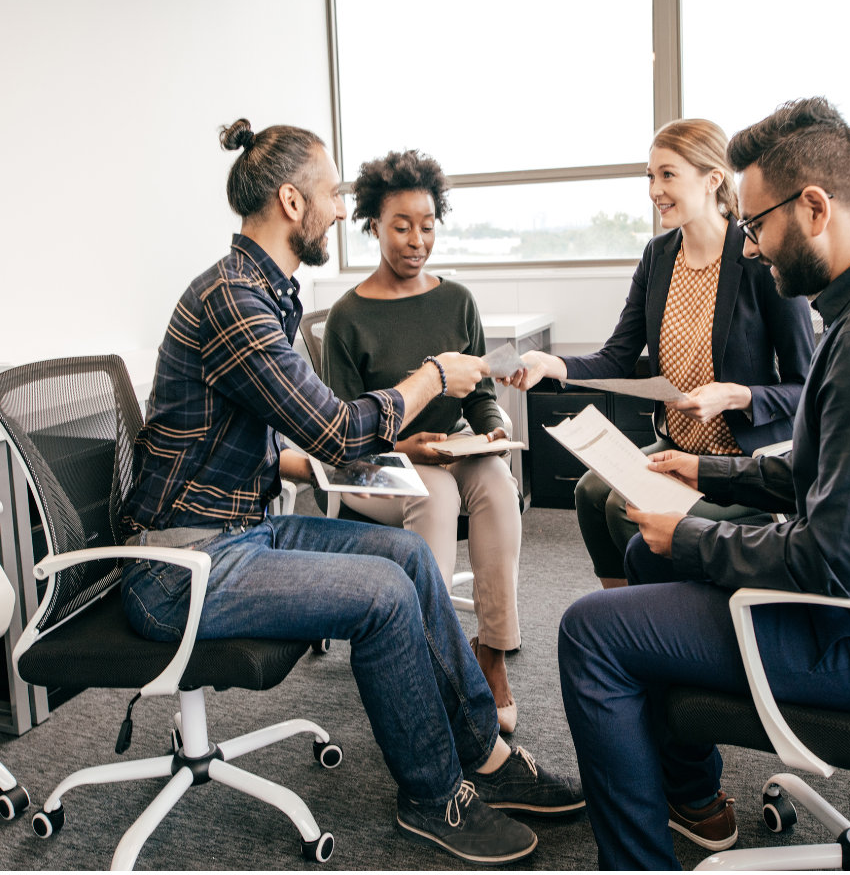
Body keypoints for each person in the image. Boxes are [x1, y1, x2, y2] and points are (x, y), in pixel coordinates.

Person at [557, 97, 850, 870]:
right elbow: (829, 467)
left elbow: (833, 564)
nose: (750, 246)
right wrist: (708, 472)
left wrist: (700, 532)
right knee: (646, 561)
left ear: (813, 208)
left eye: (758, 225)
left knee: (591, 631)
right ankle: (690, 794)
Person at [120, 118, 583, 867]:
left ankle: (486, 759)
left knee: (405, 555)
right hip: (183, 568)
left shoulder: (264, 293)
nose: (341, 207)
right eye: (332, 192)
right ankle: (434, 796)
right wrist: (433, 377)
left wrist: (324, 468)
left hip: (242, 531)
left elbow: (270, 442)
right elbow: (337, 429)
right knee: (382, 596)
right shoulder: (235, 300)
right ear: (292, 203)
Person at [509, 118, 814, 587]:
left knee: (623, 508)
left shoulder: (757, 257)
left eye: (667, 175)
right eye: (650, 177)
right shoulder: (658, 255)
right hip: (676, 448)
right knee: (591, 493)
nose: (654, 189)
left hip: (741, 462)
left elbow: (803, 385)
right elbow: (617, 356)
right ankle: (619, 613)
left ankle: (655, 622)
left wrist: (735, 396)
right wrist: (552, 365)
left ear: (713, 178)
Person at [321, 150, 523, 734]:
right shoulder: (347, 317)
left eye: (427, 226)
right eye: (401, 226)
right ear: (373, 227)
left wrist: (493, 428)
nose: (416, 240)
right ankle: (434, 664)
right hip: (375, 465)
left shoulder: (458, 300)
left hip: (452, 447)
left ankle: (492, 655)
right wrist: (409, 450)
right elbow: (341, 432)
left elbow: (480, 392)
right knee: (434, 493)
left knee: (496, 483)